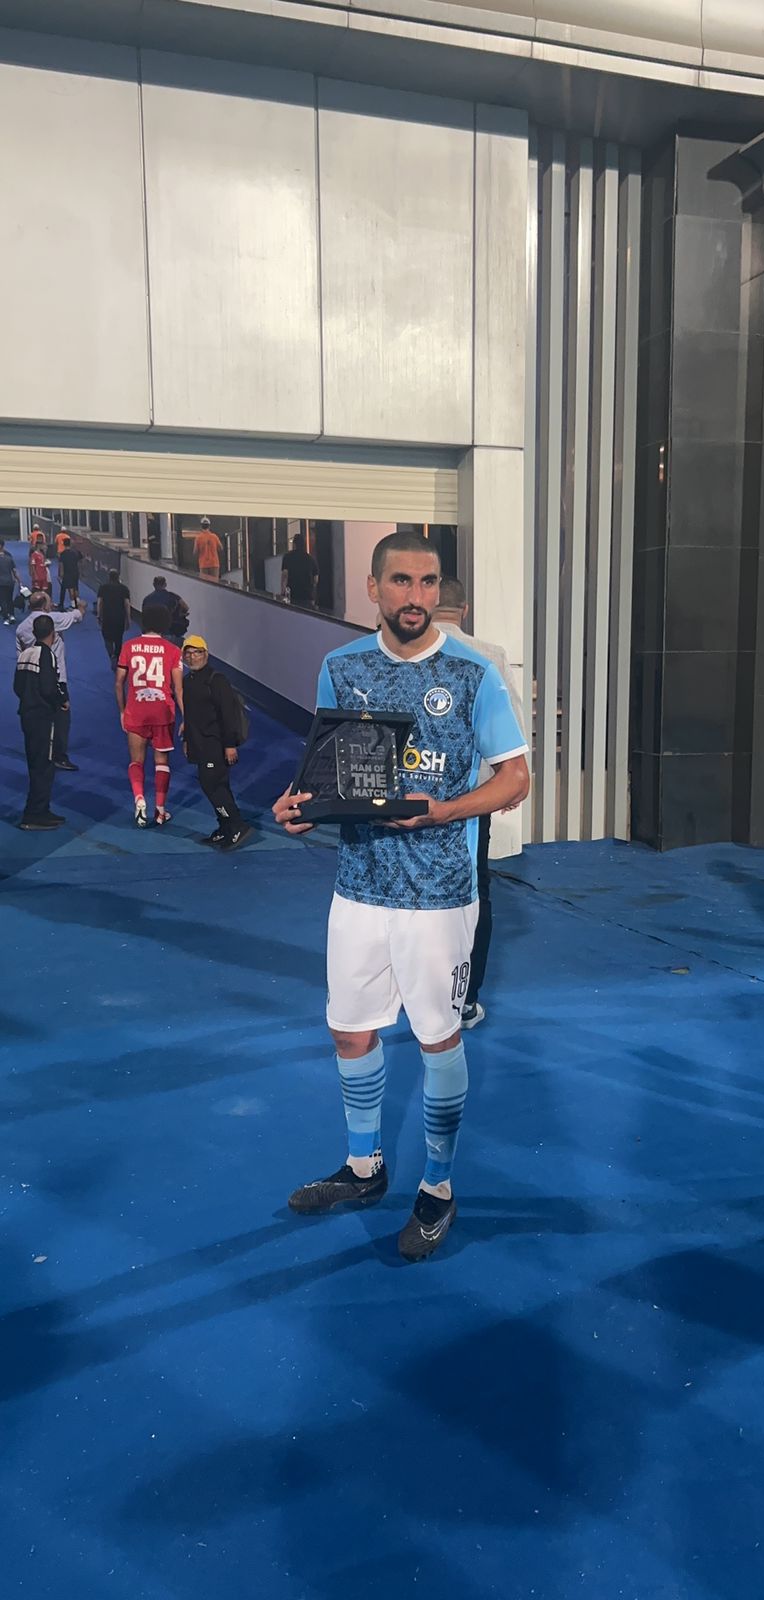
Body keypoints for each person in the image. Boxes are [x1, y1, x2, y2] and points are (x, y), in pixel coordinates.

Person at [273, 530, 529, 1261]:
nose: (417, 596)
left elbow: (515, 780)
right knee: (349, 1032)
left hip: (440, 895)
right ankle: (364, 1168)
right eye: (401, 581)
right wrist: (297, 807)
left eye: (428, 582)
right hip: (358, 886)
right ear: (373, 588)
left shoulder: (473, 673)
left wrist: (445, 811)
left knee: (436, 1038)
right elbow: (328, 772)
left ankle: (438, 1187)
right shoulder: (341, 667)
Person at [433, 576, 526, 1031]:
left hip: (409, 796)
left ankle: (417, 993)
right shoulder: (490, 655)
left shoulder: (403, 654)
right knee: (474, 890)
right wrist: (507, 784)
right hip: (472, 799)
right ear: (464, 609)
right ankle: (465, 1000)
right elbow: (512, 727)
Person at [116, 603, 184, 828]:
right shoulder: (173, 650)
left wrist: (122, 710)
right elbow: (178, 689)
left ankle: (139, 798)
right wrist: (187, 717)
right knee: (161, 761)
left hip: (136, 710)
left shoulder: (129, 646)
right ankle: (160, 810)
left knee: (136, 760)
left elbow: (119, 682)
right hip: (163, 711)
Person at [181, 635, 251, 851]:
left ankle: (236, 825)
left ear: (206, 654)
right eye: (188, 653)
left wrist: (230, 745)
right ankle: (225, 827)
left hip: (216, 744)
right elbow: (191, 715)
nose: (192, 657)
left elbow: (227, 714)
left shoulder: (216, 680)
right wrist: (187, 739)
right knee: (215, 786)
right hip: (199, 744)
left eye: (197, 652)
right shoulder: (188, 681)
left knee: (212, 785)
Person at [16, 592, 86, 773]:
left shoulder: (21, 628)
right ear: (45, 605)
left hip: (32, 677)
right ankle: (58, 756)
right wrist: (81, 607)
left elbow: (20, 656)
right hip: (56, 678)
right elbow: (77, 616)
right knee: (61, 719)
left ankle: (40, 752)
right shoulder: (53, 619)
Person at [14, 612, 67, 830]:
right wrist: (60, 701)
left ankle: (38, 810)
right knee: (45, 765)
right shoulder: (47, 655)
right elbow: (48, 687)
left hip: (26, 715)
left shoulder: (25, 653)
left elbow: (17, 687)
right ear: (52, 634)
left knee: (35, 763)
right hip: (43, 718)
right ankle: (36, 813)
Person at [96, 570, 131, 669]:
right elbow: (127, 604)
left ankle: (111, 654)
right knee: (118, 638)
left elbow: (99, 602)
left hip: (107, 617)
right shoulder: (124, 589)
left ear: (109, 577)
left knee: (107, 638)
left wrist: (99, 615)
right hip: (119, 617)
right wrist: (128, 619)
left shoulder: (103, 588)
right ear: (118, 577)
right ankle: (117, 655)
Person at [140, 575, 188, 639]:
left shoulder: (147, 599)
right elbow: (185, 607)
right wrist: (180, 613)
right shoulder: (172, 596)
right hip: (167, 631)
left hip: (150, 631)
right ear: (165, 584)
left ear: (154, 585)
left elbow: (144, 615)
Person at [281, 534, 319, 609]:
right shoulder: (310, 559)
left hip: (293, 596)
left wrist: (283, 592)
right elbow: (316, 579)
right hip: (307, 596)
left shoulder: (287, 557)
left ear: (294, 544)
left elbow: (285, 575)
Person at [57, 537, 82, 611]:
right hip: (75, 572)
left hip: (67, 573)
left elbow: (61, 565)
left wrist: (60, 575)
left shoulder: (63, 554)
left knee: (69, 589)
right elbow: (80, 561)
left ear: (64, 544)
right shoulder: (76, 552)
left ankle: (73, 605)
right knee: (75, 587)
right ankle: (77, 603)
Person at [0, 538, 18, 624]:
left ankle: (6, 617)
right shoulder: (9, 557)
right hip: (10, 582)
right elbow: (14, 570)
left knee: (3, 600)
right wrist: (19, 581)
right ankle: (12, 615)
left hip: (1, 582)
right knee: (9, 599)